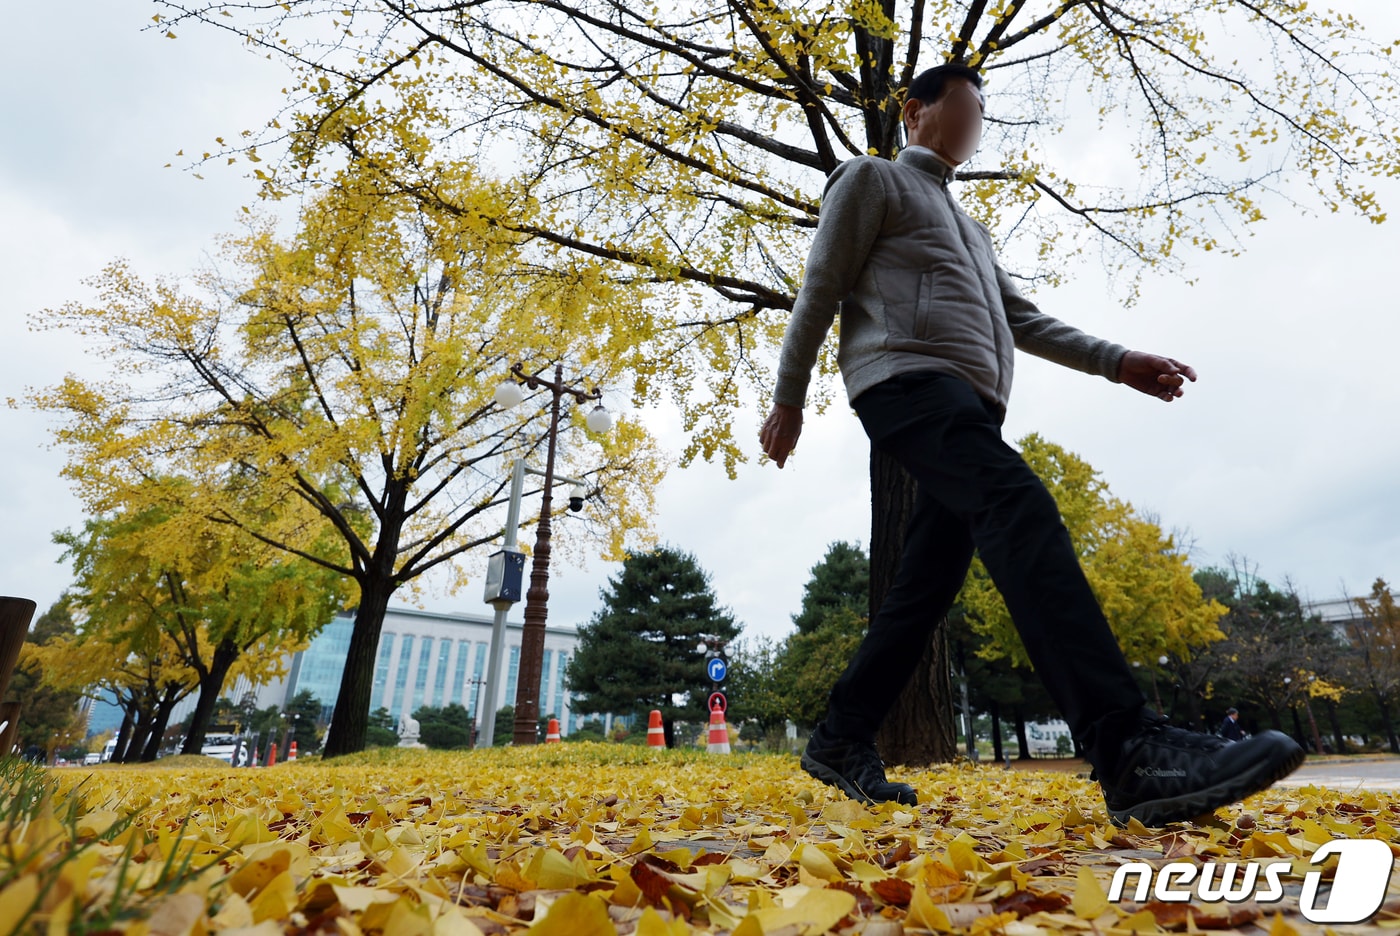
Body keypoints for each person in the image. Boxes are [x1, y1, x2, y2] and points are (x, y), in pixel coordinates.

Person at [758, 63, 1305, 827]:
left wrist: (1119, 362)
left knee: (925, 589)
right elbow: (820, 286)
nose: (978, 121)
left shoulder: (971, 230)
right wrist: (788, 398)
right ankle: (1128, 747)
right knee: (1019, 507)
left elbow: (1029, 321)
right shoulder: (870, 180)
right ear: (916, 111)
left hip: (971, 410)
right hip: (907, 384)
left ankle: (841, 738)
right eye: (968, 106)